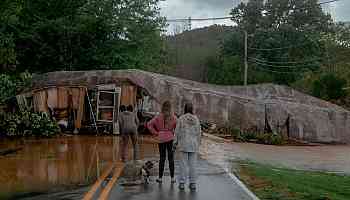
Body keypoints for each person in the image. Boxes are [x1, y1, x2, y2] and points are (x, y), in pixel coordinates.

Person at [147, 101, 177, 184]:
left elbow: (149, 124)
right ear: (171, 108)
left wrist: (156, 133)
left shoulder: (158, 117)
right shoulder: (173, 117)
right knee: (171, 159)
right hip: (170, 139)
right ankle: (172, 178)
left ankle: (160, 178)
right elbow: (177, 128)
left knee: (162, 158)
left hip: (161, 139)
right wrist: (173, 134)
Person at [174, 102, 201, 191]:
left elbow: (177, 131)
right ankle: (192, 183)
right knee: (193, 165)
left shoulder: (181, 118)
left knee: (183, 164)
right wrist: (198, 144)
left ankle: (182, 183)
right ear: (192, 109)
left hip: (183, 144)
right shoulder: (196, 119)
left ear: (185, 109)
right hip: (193, 145)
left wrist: (175, 143)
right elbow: (199, 133)